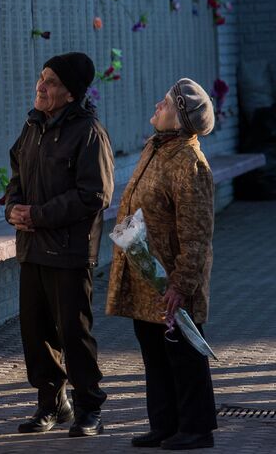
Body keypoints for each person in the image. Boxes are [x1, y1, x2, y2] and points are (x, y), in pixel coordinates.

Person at [5, 52, 115, 437]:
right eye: (41, 77)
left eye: (50, 81)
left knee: (74, 333)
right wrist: (14, 207)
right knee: (35, 332)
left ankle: (90, 409)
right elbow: (17, 170)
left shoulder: (88, 132)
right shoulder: (33, 124)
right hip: (32, 248)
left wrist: (39, 215)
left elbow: (95, 194)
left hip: (69, 251)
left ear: (70, 93)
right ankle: (51, 404)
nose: (41, 86)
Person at [106, 78, 217, 450]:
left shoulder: (190, 163)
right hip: (146, 279)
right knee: (155, 352)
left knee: (183, 356)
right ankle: (165, 424)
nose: (158, 104)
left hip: (172, 281)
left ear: (181, 118)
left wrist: (181, 284)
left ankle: (196, 429)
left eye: (167, 102)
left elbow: (196, 232)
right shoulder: (157, 147)